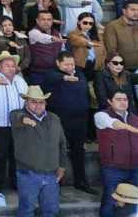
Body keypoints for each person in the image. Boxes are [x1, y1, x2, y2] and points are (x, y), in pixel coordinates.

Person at [10, 86, 68, 217]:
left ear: (45, 103)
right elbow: (17, 117)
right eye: (33, 102)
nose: (38, 105)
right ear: (26, 102)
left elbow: (62, 144)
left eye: (41, 102)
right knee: (26, 211)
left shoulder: (54, 118)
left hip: (51, 174)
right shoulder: (16, 114)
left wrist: (62, 166)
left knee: (51, 211)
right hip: (28, 174)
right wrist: (24, 120)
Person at [42, 52, 94, 195]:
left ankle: (81, 181)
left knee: (79, 151)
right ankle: (55, 185)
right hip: (60, 120)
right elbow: (52, 78)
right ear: (58, 63)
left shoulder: (79, 73)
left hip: (80, 119)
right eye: (66, 64)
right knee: (58, 151)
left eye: (72, 64)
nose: (70, 67)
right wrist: (65, 77)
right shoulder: (51, 74)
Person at [0, 51, 28, 207]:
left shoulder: (20, 80)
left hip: (18, 126)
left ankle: (16, 185)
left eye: (13, 65)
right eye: (7, 65)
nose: (11, 68)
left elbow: (27, 98)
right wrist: (0, 80)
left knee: (17, 156)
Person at [94, 90, 138, 217]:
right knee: (110, 200)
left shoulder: (135, 119)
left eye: (125, 99)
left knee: (133, 200)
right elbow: (115, 124)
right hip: (112, 168)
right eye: (118, 99)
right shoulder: (101, 116)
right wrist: (134, 129)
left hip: (135, 167)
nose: (123, 102)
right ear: (110, 101)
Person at [27, 10, 64, 85]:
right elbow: (43, 38)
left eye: (49, 19)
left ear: (52, 21)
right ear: (37, 21)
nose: (46, 22)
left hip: (55, 72)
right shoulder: (33, 33)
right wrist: (54, 39)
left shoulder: (57, 33)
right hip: (38, 73)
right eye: (43, 19)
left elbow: (62, 50)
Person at [103, 0, 138, 71]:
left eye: (137, 10)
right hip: (123, 69)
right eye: (132, 10)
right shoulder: (113, 26)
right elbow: (111, 50)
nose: (136, 13)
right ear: (124, 11)